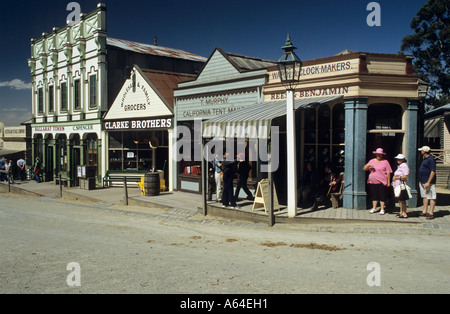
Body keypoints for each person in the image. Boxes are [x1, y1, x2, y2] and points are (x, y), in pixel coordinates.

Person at [363, 148, 392, 215]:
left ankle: (382, 209)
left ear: (382, 155)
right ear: (375, 154)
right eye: (378, 154)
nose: (379, 155)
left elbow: (388, 172)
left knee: (382, 195)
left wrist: (388, 182)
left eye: (380, 154)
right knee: (374, 195)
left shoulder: (385, 162)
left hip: (382, 182)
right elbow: (364, 169)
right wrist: (368, 165)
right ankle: (374, 208)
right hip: (372, 181)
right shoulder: (371, 161)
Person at [418, 146, 436, 220]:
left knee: (432, 196)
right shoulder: (425, 159)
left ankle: (431, 213)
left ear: (424, 151)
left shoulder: (431, 159)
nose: (420, 152)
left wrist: (429, 181)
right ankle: (425, 211)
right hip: (422, 180)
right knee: (424, 196)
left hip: (428, 181)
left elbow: (433, 171)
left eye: (421, 150)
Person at [392, 154, 409, 218]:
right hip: (397, 185)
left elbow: (405, 176)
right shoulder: (400, 166)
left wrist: (397, 178)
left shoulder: (404, 166)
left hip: (401, 185)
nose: (398, 160)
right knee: (400, 199)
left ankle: (404, 213)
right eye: (397, 159)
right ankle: (401, 212)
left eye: (399, 159)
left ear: (403, 159)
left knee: (402, 199)